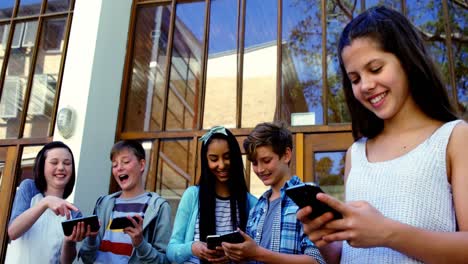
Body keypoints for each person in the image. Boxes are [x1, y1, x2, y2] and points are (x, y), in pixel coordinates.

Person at [296, 6, 468, 264]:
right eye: (354, 79)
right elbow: (350, 255)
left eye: (375, 69)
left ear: (407, 60)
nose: (365, 85)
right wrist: (326, 243)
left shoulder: (454, 137)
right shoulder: (356, 153)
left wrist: (387, 233)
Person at [222, 122, 325, 264]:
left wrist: (257, 253)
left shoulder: (309, 195)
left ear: (286, 155)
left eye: (266, 160)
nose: (260, 169)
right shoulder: (257, 208)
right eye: (255, 163)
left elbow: (317, 260)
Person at [167, 126, 257, 263]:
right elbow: (171, 251)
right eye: (214, 159)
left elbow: (256, 253)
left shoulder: (251, 203)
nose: (221, 165)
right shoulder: (192, 196)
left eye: (227, 157)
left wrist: (234, 256)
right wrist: (192, 248)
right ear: (206, 161)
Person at [79, 140, 172, 263]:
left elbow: (164, 261)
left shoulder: (158, 207)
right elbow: (87, 258)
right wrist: (91, 240)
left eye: (125, 162)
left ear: (142, 165)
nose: (119, 168)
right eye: (114, 165)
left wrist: (140, 244)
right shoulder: (103, 204)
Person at [7, 141, 86, 264]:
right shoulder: (29, 188)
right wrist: (45, 202)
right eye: (54, 162)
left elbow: (65, 262)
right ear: (42, 166)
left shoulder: (73, 212)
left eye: (67, 163)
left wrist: (68, 241)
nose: (61, 167)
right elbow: (13, 232)